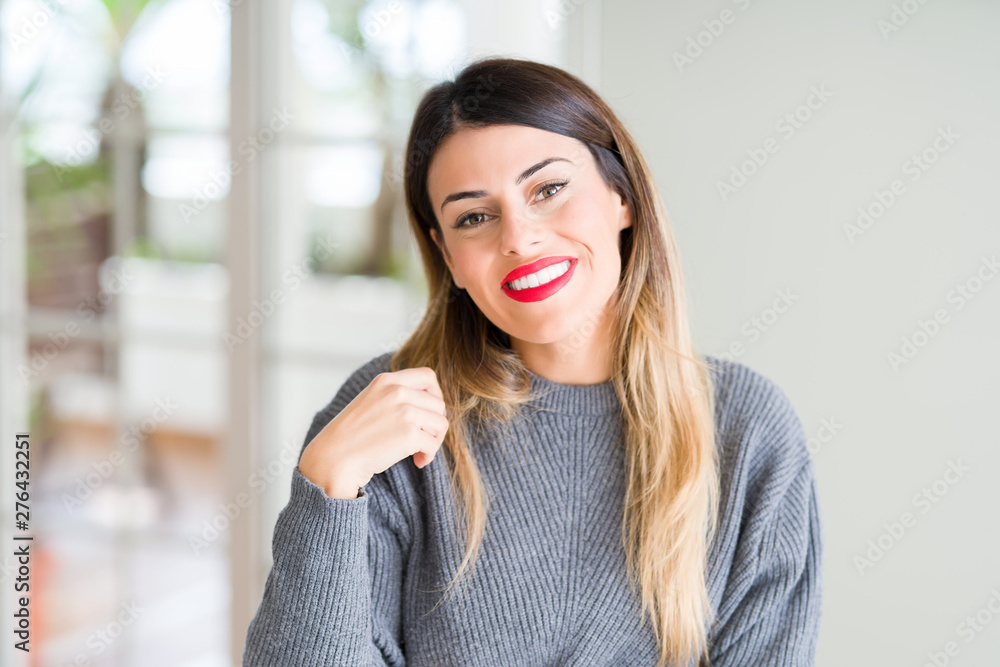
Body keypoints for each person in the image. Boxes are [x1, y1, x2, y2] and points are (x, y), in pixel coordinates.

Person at [242, 57, 823, 667]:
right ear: (448, 256)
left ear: (621, 196)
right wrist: (327, 484)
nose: (518, 238)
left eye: (547, 190)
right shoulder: (392, 421)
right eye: (474, 217)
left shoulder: (749, 430)